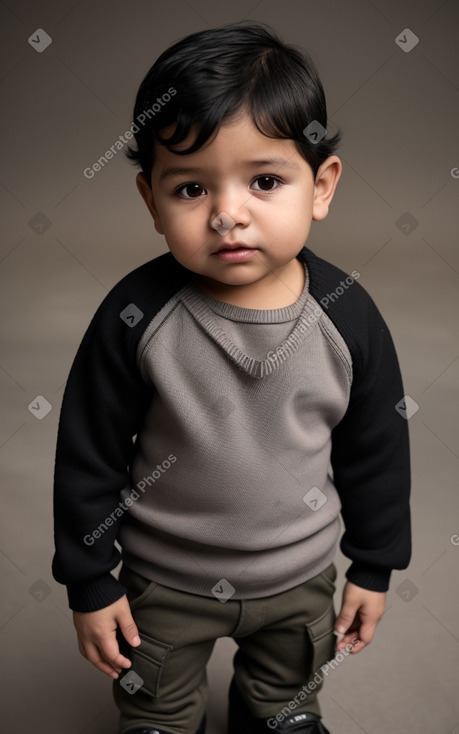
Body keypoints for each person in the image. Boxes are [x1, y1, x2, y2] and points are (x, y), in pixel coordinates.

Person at [52, 21, 411, 734]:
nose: (227, 214)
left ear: (321, 186)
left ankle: (277, 713)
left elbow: (376, 450)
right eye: (189, 188)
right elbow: (87, 452)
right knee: (157, 707)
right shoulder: (136, 317)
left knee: (281, 700)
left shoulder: (347, 318)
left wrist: (374, 566)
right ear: (151, 201)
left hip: (298, 582)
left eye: (265, 180)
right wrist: (90, 582)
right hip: (164, 583)